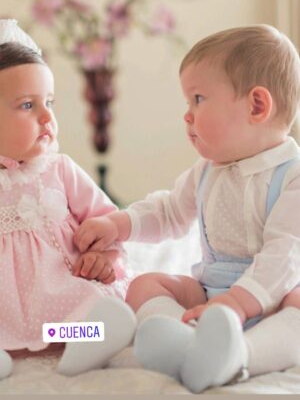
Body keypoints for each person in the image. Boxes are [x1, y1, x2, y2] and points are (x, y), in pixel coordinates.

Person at [74, 24, 300, 392]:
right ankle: (182, 339)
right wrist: (119, 224)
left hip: (272, 297)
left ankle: (241, 354)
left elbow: (285, 256)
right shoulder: (207, 171)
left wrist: (237, 306)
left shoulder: (292, 178)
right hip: (210, 293)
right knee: (146, 284)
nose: (187, 115)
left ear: (257, 105)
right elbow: (168, 213)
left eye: (198, 99)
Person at [0, 19, 136, 380]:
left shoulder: (59, 170)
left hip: (61, 296)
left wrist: (102, 257)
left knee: (99, 313)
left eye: (49, 102)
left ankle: (86, 342)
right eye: (28, 105)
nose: (47, 116)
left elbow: (109, 225)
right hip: (5, 311)